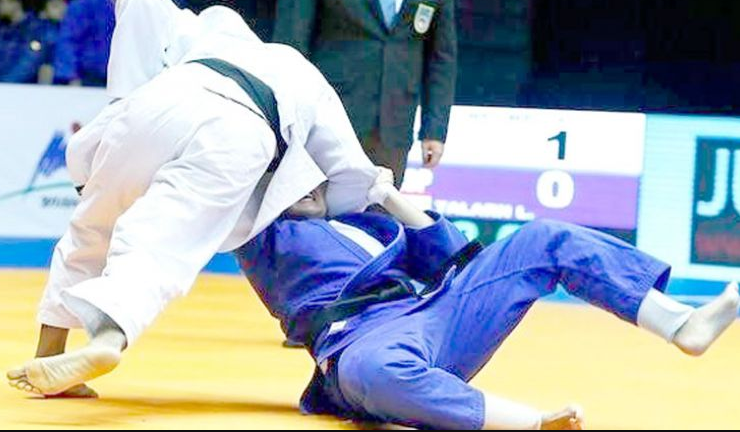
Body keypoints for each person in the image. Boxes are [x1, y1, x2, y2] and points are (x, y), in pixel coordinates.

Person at [7, 0, 378, 398]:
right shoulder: (297, 69)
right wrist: (337, 218)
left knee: (90, 231)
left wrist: (94, 160)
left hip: (154, 104)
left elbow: (141, 10)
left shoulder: (200, 32)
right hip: (239, 127)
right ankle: (108, 338)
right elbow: (351, 171)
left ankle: (48, 350)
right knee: (160, 241)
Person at [233, 169, 739, 430]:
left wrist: (389, 198)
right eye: (283, 183)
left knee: (545, 237)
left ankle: (682, 326)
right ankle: (532, 424)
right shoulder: (261, 237)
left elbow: (452, 256)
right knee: (378, 371)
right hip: (360, 344)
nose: (301, 187)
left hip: (435, 313)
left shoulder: (365, 221)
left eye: (308, 178)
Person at [273, 0, 457, 187]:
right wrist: (291, 117)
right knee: (318, 200)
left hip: (395, 123)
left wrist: (434, 130)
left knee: (382, 202)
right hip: (328, 118)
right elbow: (291, 43)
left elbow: (441, 59)